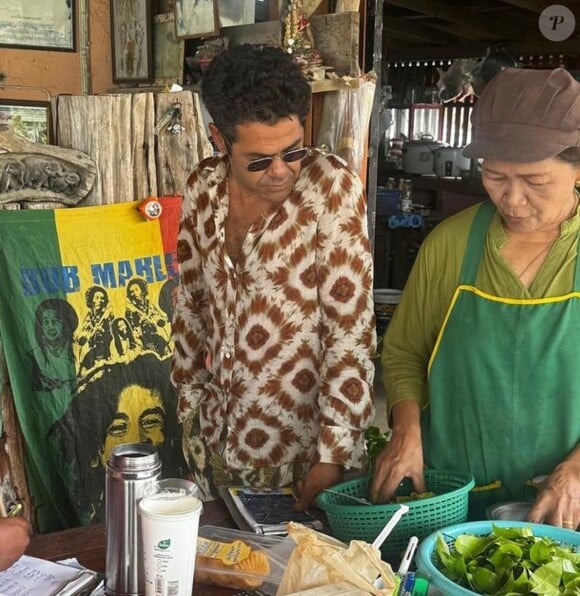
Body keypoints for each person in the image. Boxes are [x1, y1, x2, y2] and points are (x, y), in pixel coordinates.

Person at [372, 67, 580, 530]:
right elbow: (405, 351)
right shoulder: (451, 244)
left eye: (535, 181)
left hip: (569, 505)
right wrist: (405, 430)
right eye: (494, 176)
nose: (512, 198)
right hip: (453, 495)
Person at [171, 44, 376, 508]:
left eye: (293, 150)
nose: (282, 171)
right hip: (215, 438)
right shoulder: (203, 187)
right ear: (219, 140)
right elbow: (191, 299)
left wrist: (334, 453)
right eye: (260, 160)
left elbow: (351, 331)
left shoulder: (330, 187)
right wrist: (188, 402)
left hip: (304, 453)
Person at [50, 352, 187, 525]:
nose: (136, 438)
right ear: (96, 452)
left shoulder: (185, 515)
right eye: (118, 428)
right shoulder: (96, 531)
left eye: (151, 422)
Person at [28, 298, 78, 403]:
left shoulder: (79, 349)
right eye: (46, 322)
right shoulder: (34, 356)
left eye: (55, 321)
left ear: (65, 325)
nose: (50, 327)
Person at [125, 277, 171, 357]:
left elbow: (162, 319)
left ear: (142, 290)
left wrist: (159, 320)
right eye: (131, 292)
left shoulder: (150, 305)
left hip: (158, 337)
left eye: (136, 290)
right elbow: (132, 330)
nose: (134, 293)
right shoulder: (130, 310)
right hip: (145, 341)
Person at [75, 285, 114, 374]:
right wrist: (84, 336)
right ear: (92, 300)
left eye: (102, 298)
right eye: (97, 298)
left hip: (103, 353)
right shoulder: (89, 317)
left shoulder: (108, 316)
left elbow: (113, 334)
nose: (100, 300)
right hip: (90, 354)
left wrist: (103, 332)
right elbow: (82, 339)